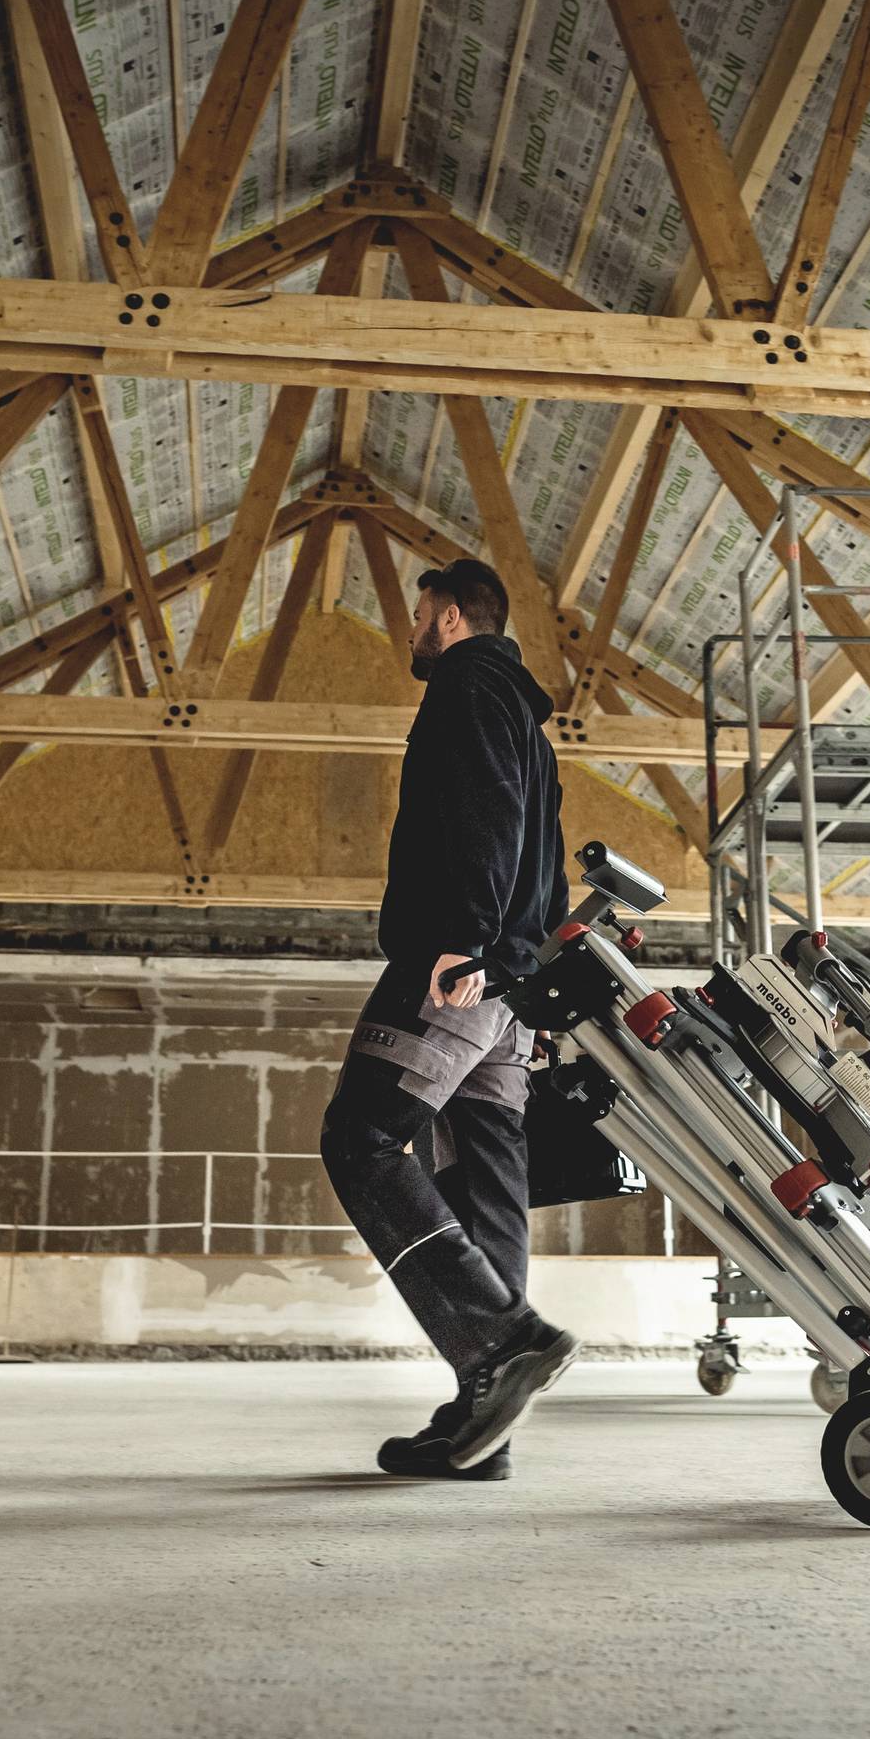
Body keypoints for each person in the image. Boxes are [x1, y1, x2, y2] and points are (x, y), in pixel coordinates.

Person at [317, 556, 580, 1480]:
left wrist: (466, 939)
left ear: (457, 618)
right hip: (510, 989)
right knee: (483, 1184)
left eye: (421, 614)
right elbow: (537, 851)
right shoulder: (526, 719)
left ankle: (501, 1343)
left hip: (461, 969)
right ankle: (485, 1424)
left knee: (361, 1141)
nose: (412, 631)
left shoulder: (469, 686)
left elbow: (486, 814)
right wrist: (521, 971)